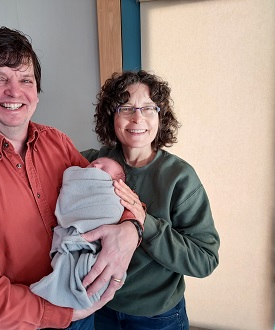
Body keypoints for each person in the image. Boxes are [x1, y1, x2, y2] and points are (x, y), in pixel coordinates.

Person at [0, 27, 145, 330]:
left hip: (79, 311)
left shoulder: (57, 142)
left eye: (26, 79)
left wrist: (131, 229)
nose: (15, 91)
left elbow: (114, 196)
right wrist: (60, 315)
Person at [81, 70, 220, 330]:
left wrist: (145, 223)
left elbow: (205, 260)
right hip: (98, 308)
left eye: (148, 108)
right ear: (111, 116)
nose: (137, 118)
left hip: (157, 317)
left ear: (160, 116)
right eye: (126, 108)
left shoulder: (179, 178)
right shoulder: (94, 163)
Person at [30, 158, 139, 309]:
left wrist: (132, 226)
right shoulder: (82, 156)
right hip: (39, 310)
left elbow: (131, 202)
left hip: (129, 301)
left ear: (117, 181)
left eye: (103, 169)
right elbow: (74, 184)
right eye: (94, 163)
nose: (95, 165)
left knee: (92, 269)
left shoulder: (60, 143)